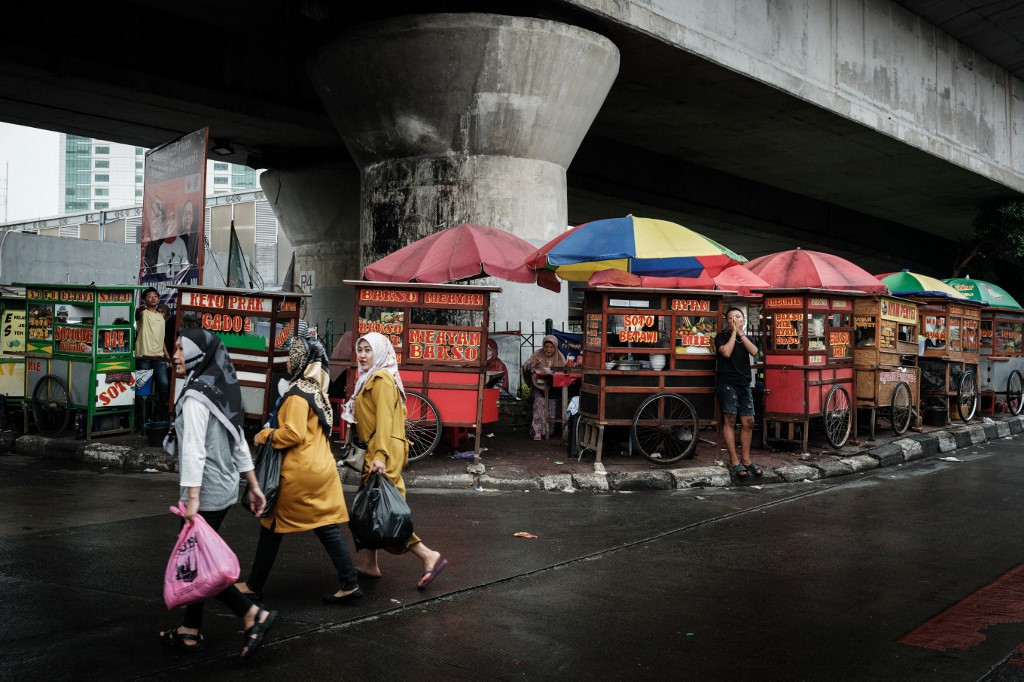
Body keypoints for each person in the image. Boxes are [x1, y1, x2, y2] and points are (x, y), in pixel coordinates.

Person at [159, 329, 278, 659]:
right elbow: (239, 439)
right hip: (224, 484)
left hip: (206, 489)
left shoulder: (197, 395)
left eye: (182, 348)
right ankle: (189, 632)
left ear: (199, 353)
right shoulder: (221, 385)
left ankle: (253, 615)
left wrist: (192, 500)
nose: (175, 354)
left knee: (199, 564)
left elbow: (195, 451)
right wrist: (251, 483)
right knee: (199, 557)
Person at [234, 336, 363, 605]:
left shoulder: (296, 395)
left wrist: (265, 435)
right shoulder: (315, 389)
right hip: (320, 467)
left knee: (272, 526)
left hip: (298, 471)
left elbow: (291, 434)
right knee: (325, 525)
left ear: (302, 361)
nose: (288, 361)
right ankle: (349, 582)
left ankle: (254, 585)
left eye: (292, 356)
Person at [343, 332, 448, 590]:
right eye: (361, 350)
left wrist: (379, 456)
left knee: (386, 513)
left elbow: (385, 422)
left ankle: (427, 554)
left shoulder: (381, 380)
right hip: (376, 451)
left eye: (368, 350)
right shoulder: (369, 378)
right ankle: (368, 562)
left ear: (379, 353)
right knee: (369, 507)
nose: (363, 355)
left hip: (383, 453)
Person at [714, 308, 762, 480]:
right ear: (726, 321)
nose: (734, 319)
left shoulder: (748, 338)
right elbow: (726, 352)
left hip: (744, 384)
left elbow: (755, 352)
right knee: (730, 419)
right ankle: (734, 461)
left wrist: (740, 334)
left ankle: (746, 460)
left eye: (738, 317)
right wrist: (733, 332)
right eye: (730, 318)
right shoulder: (721, 337)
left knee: (749, 421)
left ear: (744, 320)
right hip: (727, 383)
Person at [135, 287, 170, 419]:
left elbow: (161, 340)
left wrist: (168, 357)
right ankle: (142, 419)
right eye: (150, 296)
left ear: (159, 299)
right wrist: (140, 309)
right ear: (144, 300)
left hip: (159, 358)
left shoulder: (161, 317)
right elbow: (137, 314)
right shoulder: (143, 314)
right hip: (144, 356)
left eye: (155, 296)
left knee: (164, 386)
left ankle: (160, 415)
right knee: (143, 391)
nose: (153, 298)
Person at [522, 335, 566, 440]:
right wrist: (533, 363)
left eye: (551, 347)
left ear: (556, 348)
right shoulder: (537, 354)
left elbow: (565, 371)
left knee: (554, 402)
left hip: (553, 387)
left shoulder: (560, 357)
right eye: (546, 347)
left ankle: (549, 431)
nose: (548, 349)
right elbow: (525, 367)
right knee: (539, 401)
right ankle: (537, 431)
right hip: (538, 385)